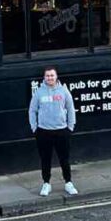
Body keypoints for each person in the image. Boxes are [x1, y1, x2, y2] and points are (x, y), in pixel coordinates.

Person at [28, 65, 77, 197]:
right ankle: (46, 184)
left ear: (56, 77)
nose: (50, 77)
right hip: (43, 132)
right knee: (45, 159)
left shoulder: (64, 91)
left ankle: (68, 183)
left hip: (62, 131)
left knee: (64, 159)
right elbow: (32, 110)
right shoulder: (39, 92)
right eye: (47, 75)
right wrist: (34, 128)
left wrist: (70, 127)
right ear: (44, 77)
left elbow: (71, 108)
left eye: (52, 75)